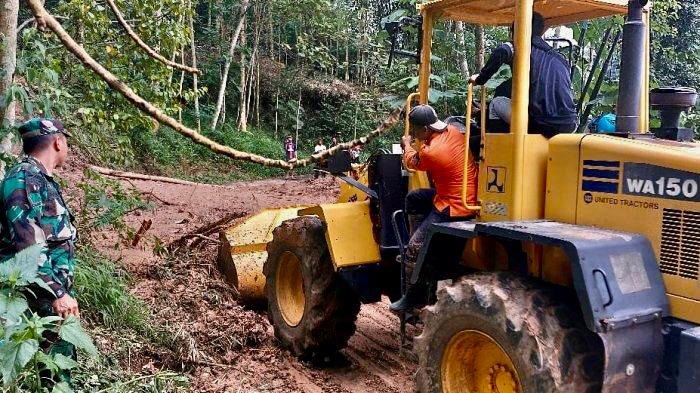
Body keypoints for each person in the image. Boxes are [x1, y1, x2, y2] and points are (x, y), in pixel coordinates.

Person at [0, 118, 78, 384]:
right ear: (58, 141)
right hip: (37, 296)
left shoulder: (41, 180)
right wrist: (56, 292)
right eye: (66, 141)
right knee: (46, 375)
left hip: (51, 295)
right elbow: (28, 245)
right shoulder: (24, 178)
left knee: (55, 368)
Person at [389, 105, 478, 312]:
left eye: (415, 131)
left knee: (413, 248)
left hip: (453, 206)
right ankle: (420, 236)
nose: (413, 134)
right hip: (462, 194)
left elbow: (412, 162)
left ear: (425, 130)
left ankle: (412, 298)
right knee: (415, 198)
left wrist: (407, 145)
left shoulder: (433, 152)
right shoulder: (452, 131)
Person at [469, 12, 577, 137]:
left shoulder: (520, 47)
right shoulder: (559, 58)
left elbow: (503, 50)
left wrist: (480, 79)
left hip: (542, 125)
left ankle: (501, 150)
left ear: (516, 30)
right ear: (541, 32)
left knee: (496, 103)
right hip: (569, 124)